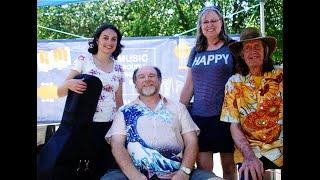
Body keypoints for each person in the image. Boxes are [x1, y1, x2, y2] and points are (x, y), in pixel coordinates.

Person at [101, 66, 223, 180]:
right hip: (132, 174)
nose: (147, 79)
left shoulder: (178, 108)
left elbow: (191, 141)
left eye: (152, 76)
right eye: (142, 77)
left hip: (177, 172)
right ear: (135, 84)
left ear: (160, 81)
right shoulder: (124, 111)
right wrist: (134, 176)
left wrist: (184, 172)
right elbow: (117, 145)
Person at [57, 23, 125, 179]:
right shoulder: (84, 60)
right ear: (97, 40)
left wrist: (122, 125)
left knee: (104, 169)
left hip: (109, 126)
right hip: (84, 125)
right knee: (82, 171)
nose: (109, 42)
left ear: (117, 43)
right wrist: (69, 84)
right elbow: (60, 92)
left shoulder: (119, 68)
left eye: (114, 39)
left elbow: (119, 101)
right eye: (105, 38)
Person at [179, 5, 237, 180]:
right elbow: (189, 85)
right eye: (205, 22)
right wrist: (178, 112)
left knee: (228, 166)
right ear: (200, 26)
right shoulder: (196, 50)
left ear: (221, 23)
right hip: (200, 117)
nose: (210, 25)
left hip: (227, 116)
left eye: (214, 21)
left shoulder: (232, 47)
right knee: (204, 169)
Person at [220, 27, 283, 180]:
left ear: (265, 50)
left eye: (257, 47)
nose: (252, 51)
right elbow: (234, 126)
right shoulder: (233, 83)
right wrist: (249, 157)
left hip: (280, 144)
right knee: (248, 173)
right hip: (251, 148)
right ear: (242, 54)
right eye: (247, 48)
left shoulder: (280, 76)